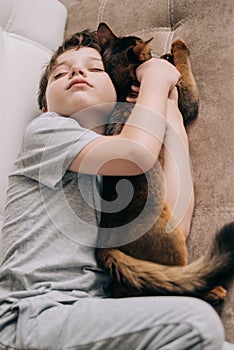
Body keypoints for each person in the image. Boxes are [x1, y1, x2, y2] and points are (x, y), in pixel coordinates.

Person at [0, 29, 232, 350]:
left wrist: (171, 114)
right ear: (45, 108)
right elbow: (135, 154)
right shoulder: (47, 130)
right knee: (196, 321)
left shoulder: (113, 174)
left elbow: (171, 225)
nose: (78, 72)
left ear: (116, 92)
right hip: (33, 313)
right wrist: (155, 80)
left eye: (95, 69)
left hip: (93, 313)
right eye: (60, 74)